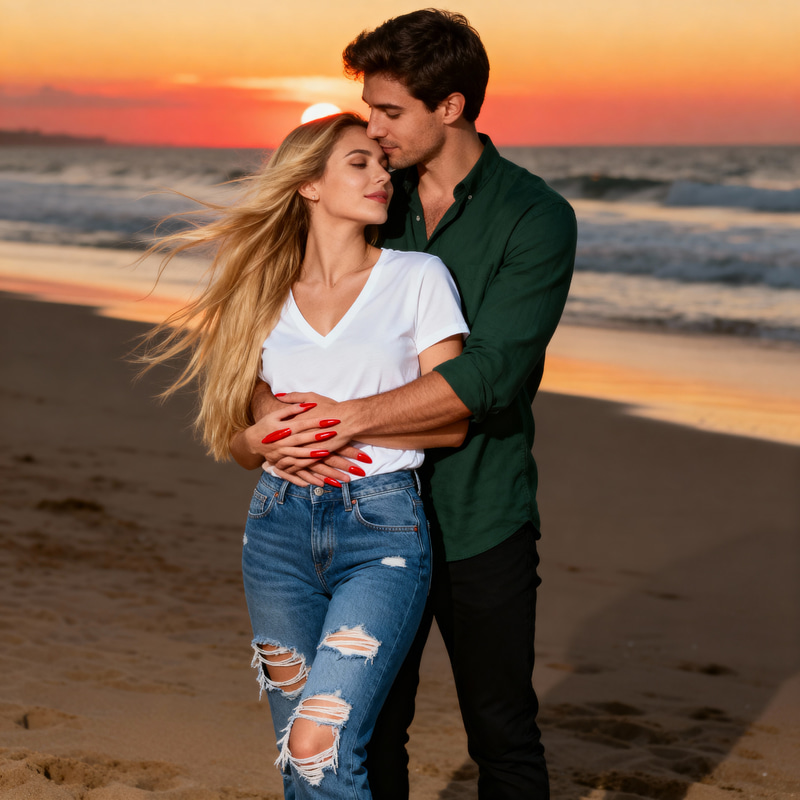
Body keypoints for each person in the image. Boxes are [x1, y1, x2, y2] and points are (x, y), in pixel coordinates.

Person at [231, 9, 578, 800]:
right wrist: (270, 418)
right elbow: (277, 338)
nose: (376, 134)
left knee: (500, 729)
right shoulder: (377, 201)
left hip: (477, 512)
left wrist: (340, 419)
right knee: (371, 728)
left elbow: (491, 376)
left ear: (448, 107)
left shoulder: (534, 216)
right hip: (352, 505)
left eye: (390, 113)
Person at [139, 112, 470, 798]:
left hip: (380, 532)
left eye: (385, 164)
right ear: (309, 184)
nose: (384, 175)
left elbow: (454, 420)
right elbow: (237, 444)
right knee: (298, 754)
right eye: (360, 162)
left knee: (322, 740)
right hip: (275, 534)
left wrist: (345, 427)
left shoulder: (417, 277)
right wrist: (255, 440)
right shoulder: (264, 291)